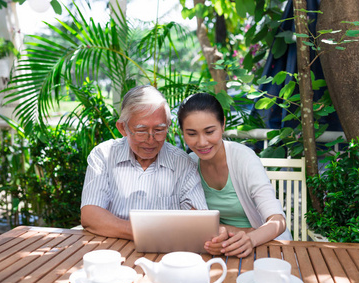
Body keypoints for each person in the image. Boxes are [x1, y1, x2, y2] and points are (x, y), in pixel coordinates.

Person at [81, 85, 207, 240]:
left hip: (165, 253)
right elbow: (90, 216)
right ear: (123, 128)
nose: (151, 139)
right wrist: (144, 233)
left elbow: (199, 219)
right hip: (112, 250)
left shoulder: (183, 163)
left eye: (159, 130)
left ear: (168, 126)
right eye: (141, 131)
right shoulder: (104, 156)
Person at [178, 93, 291, 258]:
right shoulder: (189, 165)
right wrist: (233, 231)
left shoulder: (244, 158)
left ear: (223, 124)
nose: (202, 142)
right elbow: (193, 222)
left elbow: (278, 221)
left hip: (265, 247)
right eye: (192, 134)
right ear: (182, 132)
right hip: (219, 249)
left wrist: (250, 238)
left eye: (209, 131)